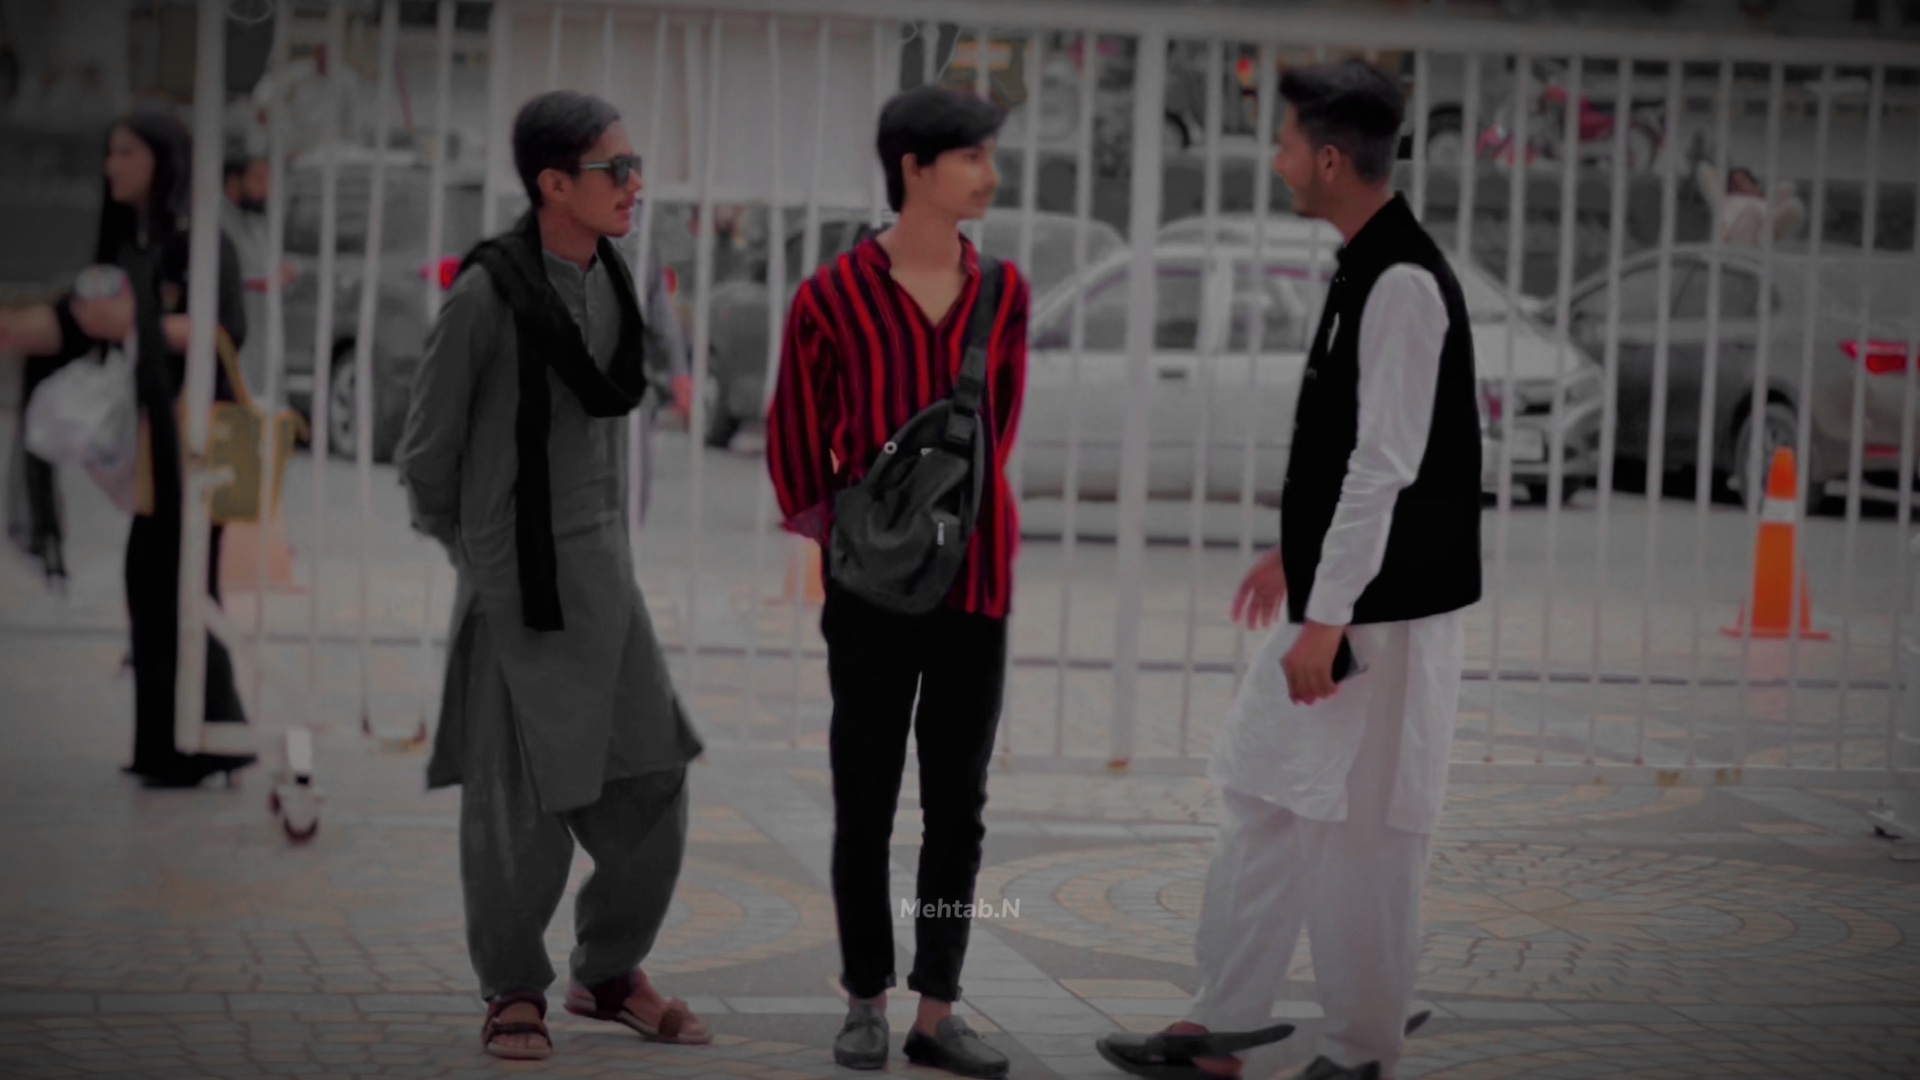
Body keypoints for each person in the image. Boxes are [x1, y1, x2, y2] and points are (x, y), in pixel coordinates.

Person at [1094, 61, 1481, 1080]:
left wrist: (1328, 618)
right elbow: (1358, 451)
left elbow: (1387, 462)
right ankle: (1220, 1026)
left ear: (1330, 159)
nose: (1275, 161)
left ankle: (1361, 1050)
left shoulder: (1401, 281)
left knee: (1367, 834)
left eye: (1285, 144)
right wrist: (1295, 556)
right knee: (1262, 790)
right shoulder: (1362, 266)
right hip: (1340, 592)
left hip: (1382, 612)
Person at [395, 90, 708, 1063]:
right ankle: (513, 989)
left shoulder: (615, 277)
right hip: (514, 586)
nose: (635, 184)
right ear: (554, 185)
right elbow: (426, 457)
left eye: (636, 165)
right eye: (616, 169)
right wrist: (484, 558)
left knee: (654, 778)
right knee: (516, 805)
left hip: (606, 583)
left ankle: (607, 971)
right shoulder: (486, 296)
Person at [766, 85, 1029, 1079]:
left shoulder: (1006, 292)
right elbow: (795, 441)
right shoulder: (829, 297)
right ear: (914, 168)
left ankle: (936, 1009)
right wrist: (859, 543)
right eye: (973, 156)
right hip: (870, 594)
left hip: (978, 583)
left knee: (959, 804)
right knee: (865, 795)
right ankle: (865, 1000)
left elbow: (996, 430)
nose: (989, 174)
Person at [0, 108, 258, 789]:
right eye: (110, 153)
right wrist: (21, 329)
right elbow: (72, 320)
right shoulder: (125, 246)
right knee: (153, 580)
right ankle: (176, 745)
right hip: (154, 447)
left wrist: (137, 323)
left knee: (182, 581)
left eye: (126, 153)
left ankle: (208, 740)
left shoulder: (202, 241)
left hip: (199, 440)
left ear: (162, 162)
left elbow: (227, 327)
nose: (111, 166)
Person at [1695, 158, 1805, 246]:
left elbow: (1788, 191)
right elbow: (1705, 171)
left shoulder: (1765, 202)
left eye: (1744, 180)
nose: (1741, 182)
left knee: (1793, 205)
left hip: (1763, 231)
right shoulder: (1726, 200)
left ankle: (1761, 238)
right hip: (1737, 238)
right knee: (1751, 214)